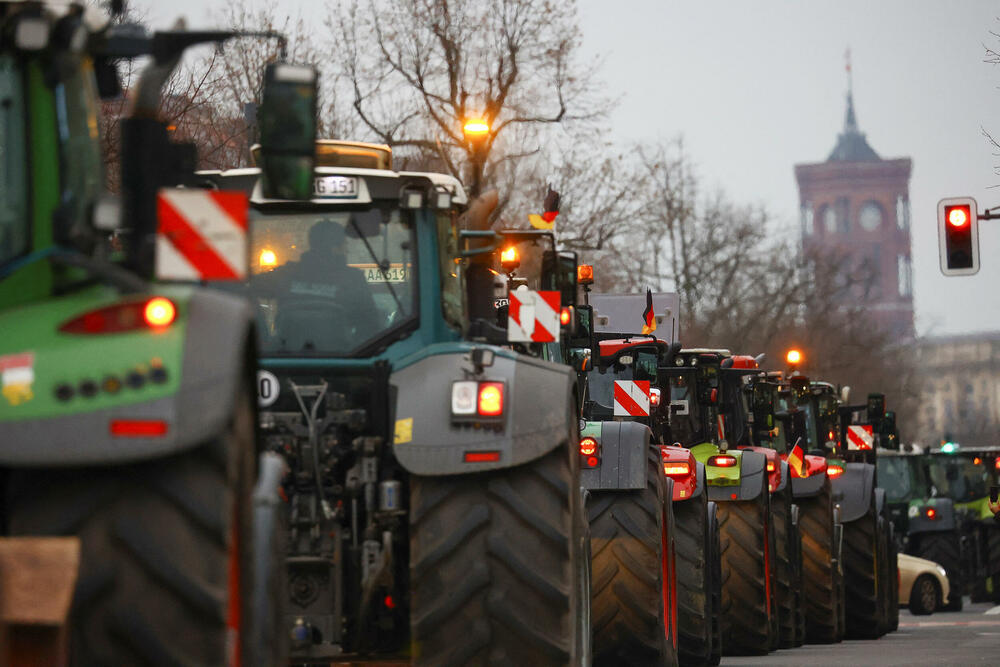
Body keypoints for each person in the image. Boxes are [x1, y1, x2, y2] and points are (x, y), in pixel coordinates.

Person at [254, 218, 381, 346]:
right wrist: (355, 349)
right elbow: (370, 324)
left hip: (286, 353)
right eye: (345, 245)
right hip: (340, 355)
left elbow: (249, 288)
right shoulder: (353, 279)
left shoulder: (285, 274)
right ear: (335, 248)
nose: (348, 250)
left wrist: (264, 340)